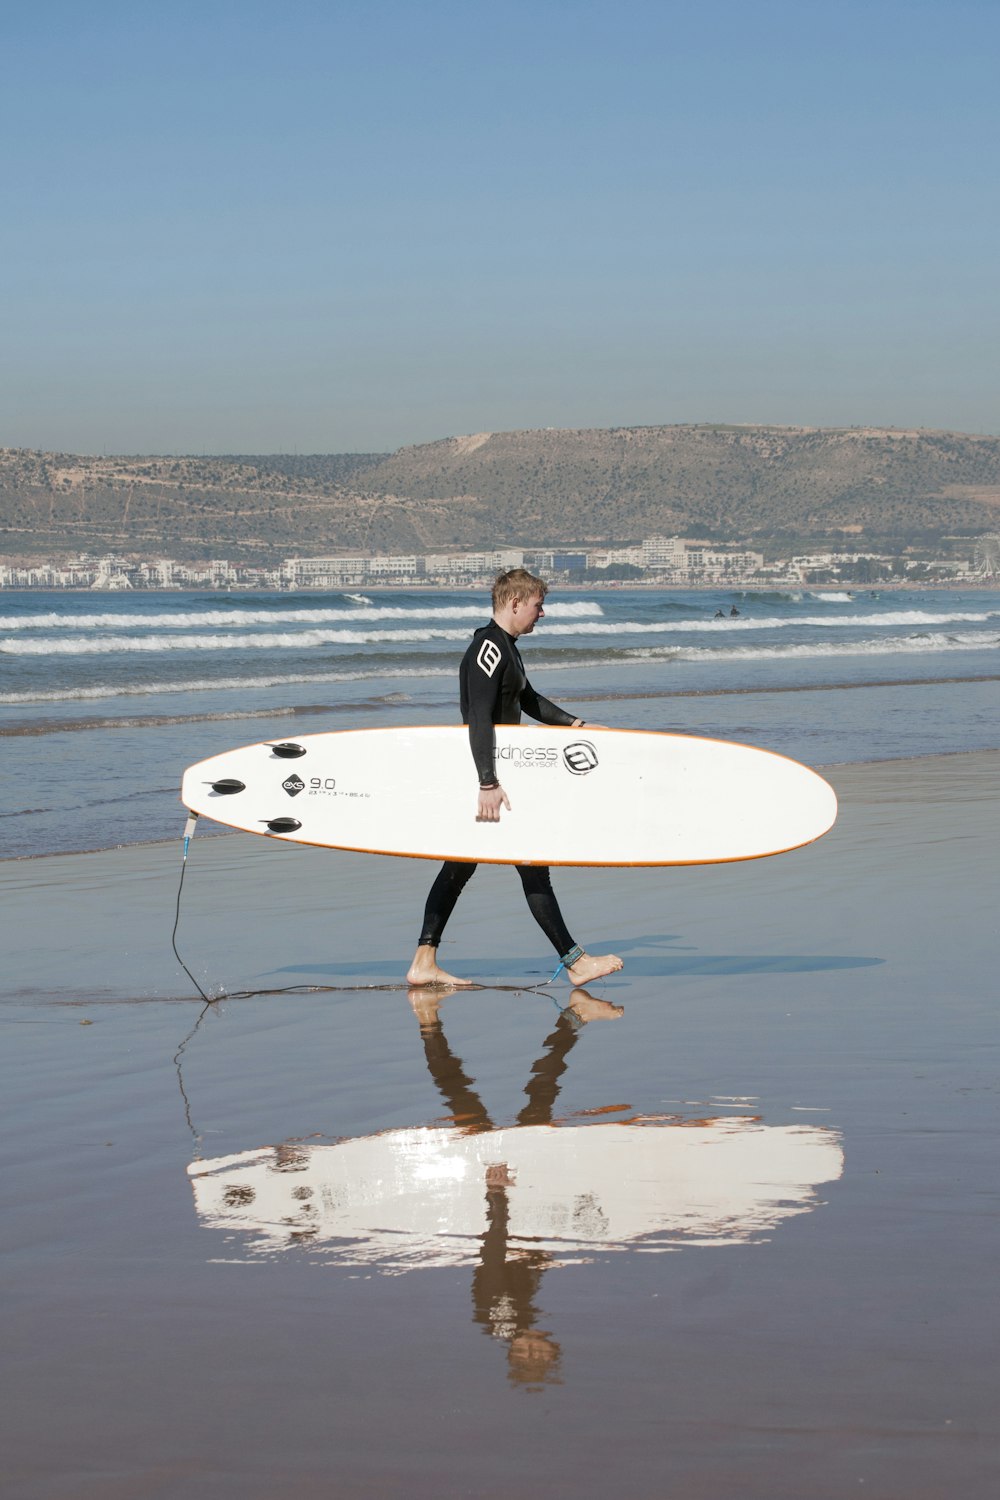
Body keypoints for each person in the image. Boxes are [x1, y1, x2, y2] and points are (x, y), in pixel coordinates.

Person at [406, 568, 624, 988]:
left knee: (460, 868)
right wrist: (487, 782)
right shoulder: (489, 648)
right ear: (515, 603)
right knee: (529, 867)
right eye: (538, 605)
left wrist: (577, 725)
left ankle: (424, 961)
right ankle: (575, 962)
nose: (541, 614)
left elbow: (528, 700)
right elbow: (479, 717)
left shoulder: (507, 648)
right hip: (493, 779)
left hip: (497, 775)